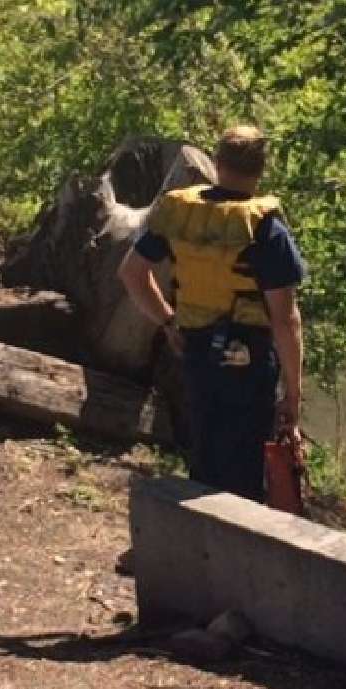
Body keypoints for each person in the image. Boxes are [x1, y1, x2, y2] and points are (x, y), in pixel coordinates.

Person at [118, 125, 304, 501]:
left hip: (196, 349)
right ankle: (238, 527)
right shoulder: (266, 228)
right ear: (262, 169)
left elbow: (131, 273)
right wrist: (293, 393)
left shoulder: (179, 212)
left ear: (217, 163)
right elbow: (286, 321)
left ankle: (199, 525)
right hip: (250, 359)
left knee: (204, 451)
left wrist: (167, 320)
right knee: (245, 465)